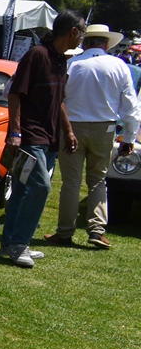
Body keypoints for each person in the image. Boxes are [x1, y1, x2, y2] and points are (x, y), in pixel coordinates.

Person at [0, 12, 86, 267]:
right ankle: (19, 244)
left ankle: (11, 243)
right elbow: (15, 93)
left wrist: (67, 130)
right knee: (41, 187)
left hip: (49, 136)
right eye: (81, 32)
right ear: (72, 32)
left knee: (24, 188)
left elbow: (58, 100)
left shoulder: (61, 60)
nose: (82, 37)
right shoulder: (38, 54)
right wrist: (15, 133)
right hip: (30, 135)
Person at [46, 23, 140, 249]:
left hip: (73, 126)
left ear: (85, 42)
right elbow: (130, 107)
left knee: (71, 182)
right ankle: (97, 230)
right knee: (98, 180)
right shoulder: (119, 65)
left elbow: (59, 98)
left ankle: (65, 232)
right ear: (106, 44)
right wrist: (128, 138)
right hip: (104, 128)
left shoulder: (72, 64)